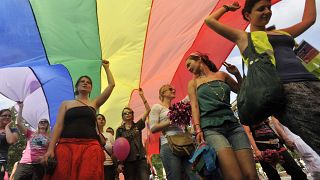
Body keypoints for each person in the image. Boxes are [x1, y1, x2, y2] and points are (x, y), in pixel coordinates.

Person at [204, 0, 320, 155]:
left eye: (268, 7)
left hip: (312, 81)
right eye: (260, 9)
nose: (267, 11)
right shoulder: (243, 37)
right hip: (285, 90)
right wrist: (227, 8)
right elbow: (209, 21)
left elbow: (309, 20)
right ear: (247, 15)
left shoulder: (282, 33)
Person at [186, 52, 258, 179]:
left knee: (251, 175)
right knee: (235, 177)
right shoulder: (193, 83)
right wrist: (198, 129)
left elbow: (240, 90)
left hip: (234, 125)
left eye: (189, 64)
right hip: (211, 129)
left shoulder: (222, 75)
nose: (188, 68)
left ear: (198, 59)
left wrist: (236, 74)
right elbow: (195, 107)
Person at [43, 60, 115, 180]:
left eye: (88, 82)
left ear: (91, 88)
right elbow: (58, 126)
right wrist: (50, 149)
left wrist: (107, 68)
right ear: (77, 86)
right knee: (62, 176)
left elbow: (111, 85)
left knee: (88, 176)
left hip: (90, 146)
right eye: (82, 81)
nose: (85, 83)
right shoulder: (66, 104)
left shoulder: (94, 104)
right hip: (66, 145)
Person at [149, 84, 198, 180]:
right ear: (163, 93)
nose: (174, 90)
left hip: (185, 144)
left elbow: (188, 98)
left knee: (194, 175)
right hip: (169, 145)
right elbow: (153, 128)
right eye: (170, 89)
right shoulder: (157, 107)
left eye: (174, 89)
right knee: (174, 177)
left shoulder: (177, 108)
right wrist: (171, 121)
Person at [243, 119, 307, 180]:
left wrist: (283, 140)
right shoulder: (245, 115)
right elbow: (248, 133)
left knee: (297, 172)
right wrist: (256, 150)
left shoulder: (262, 111)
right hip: (262, 147)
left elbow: (270, 126)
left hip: (277, 144)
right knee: (273, 176)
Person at [115, 88, 150, 180]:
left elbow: (148, 110)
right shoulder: (120, 130)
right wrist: (119, 163)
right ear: (122, 117)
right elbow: (117, 147)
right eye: (125, 113)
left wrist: (142, 96)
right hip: (128, 161)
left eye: (129, 112)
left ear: (132, 115)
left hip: (140, 159)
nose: (127, 114)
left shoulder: (138, 126)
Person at [14, 102, 50, 180]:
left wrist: (45, 157)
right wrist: (21, 107)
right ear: (38, 123)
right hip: (24, 164)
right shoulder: (31, 133)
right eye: (41, 121)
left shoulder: (50, 138)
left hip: (39, 166)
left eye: (45, 122)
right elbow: (18, 123)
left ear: (47, 124)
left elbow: (50, 151)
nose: (43, 123)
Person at [0, 109, 19, 180]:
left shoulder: (13, 130)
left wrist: (7, 127)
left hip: (1, 161)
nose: (7, 117)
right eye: (4, 115)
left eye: (9, 116)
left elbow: (11, 141)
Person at [96, 114, 116, 180]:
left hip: (109, 165)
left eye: (103, 118)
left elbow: (114, 151)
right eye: (99, 118)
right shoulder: (92, 135)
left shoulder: (109, 135)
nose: (101, 120)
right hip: (96, 165)